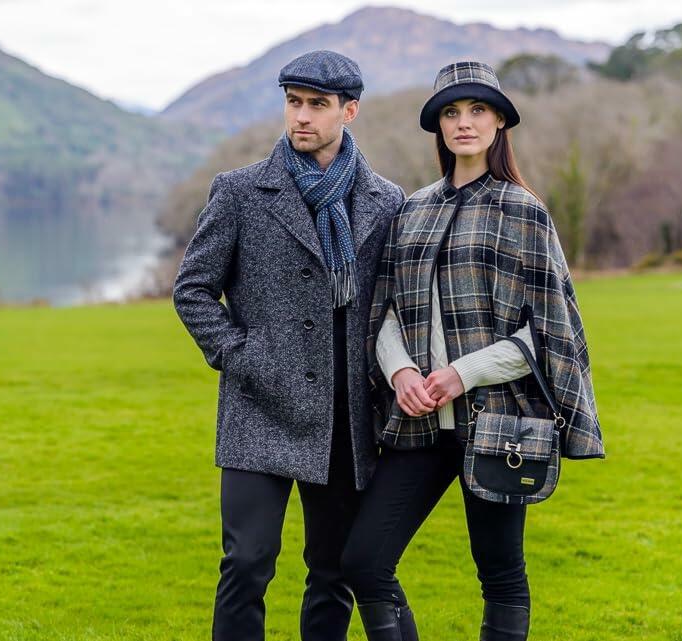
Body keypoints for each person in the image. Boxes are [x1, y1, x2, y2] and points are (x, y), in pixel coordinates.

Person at [339, 61, 605, 641]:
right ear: (438, 125)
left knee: (500, 573)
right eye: (452, 112)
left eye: (477, 110)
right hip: (418, 422)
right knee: (363, 562)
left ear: (499, 121)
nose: (464, 122)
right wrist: (401, 370)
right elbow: (385, 311)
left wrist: (462, 373)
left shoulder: (523, 210)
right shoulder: (413, 209)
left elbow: (549, 330)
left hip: (499, 423)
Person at [173, 50, 405, 641]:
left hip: (346, 420)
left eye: (317, 105)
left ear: (349, 111)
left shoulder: (387, 202)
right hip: (259, 407)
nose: (301, 116)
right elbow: (193, 290)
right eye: (293, 102)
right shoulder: (240, 191)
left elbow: (392, 306)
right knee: (246, 564)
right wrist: (242, 356)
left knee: (332, 572)